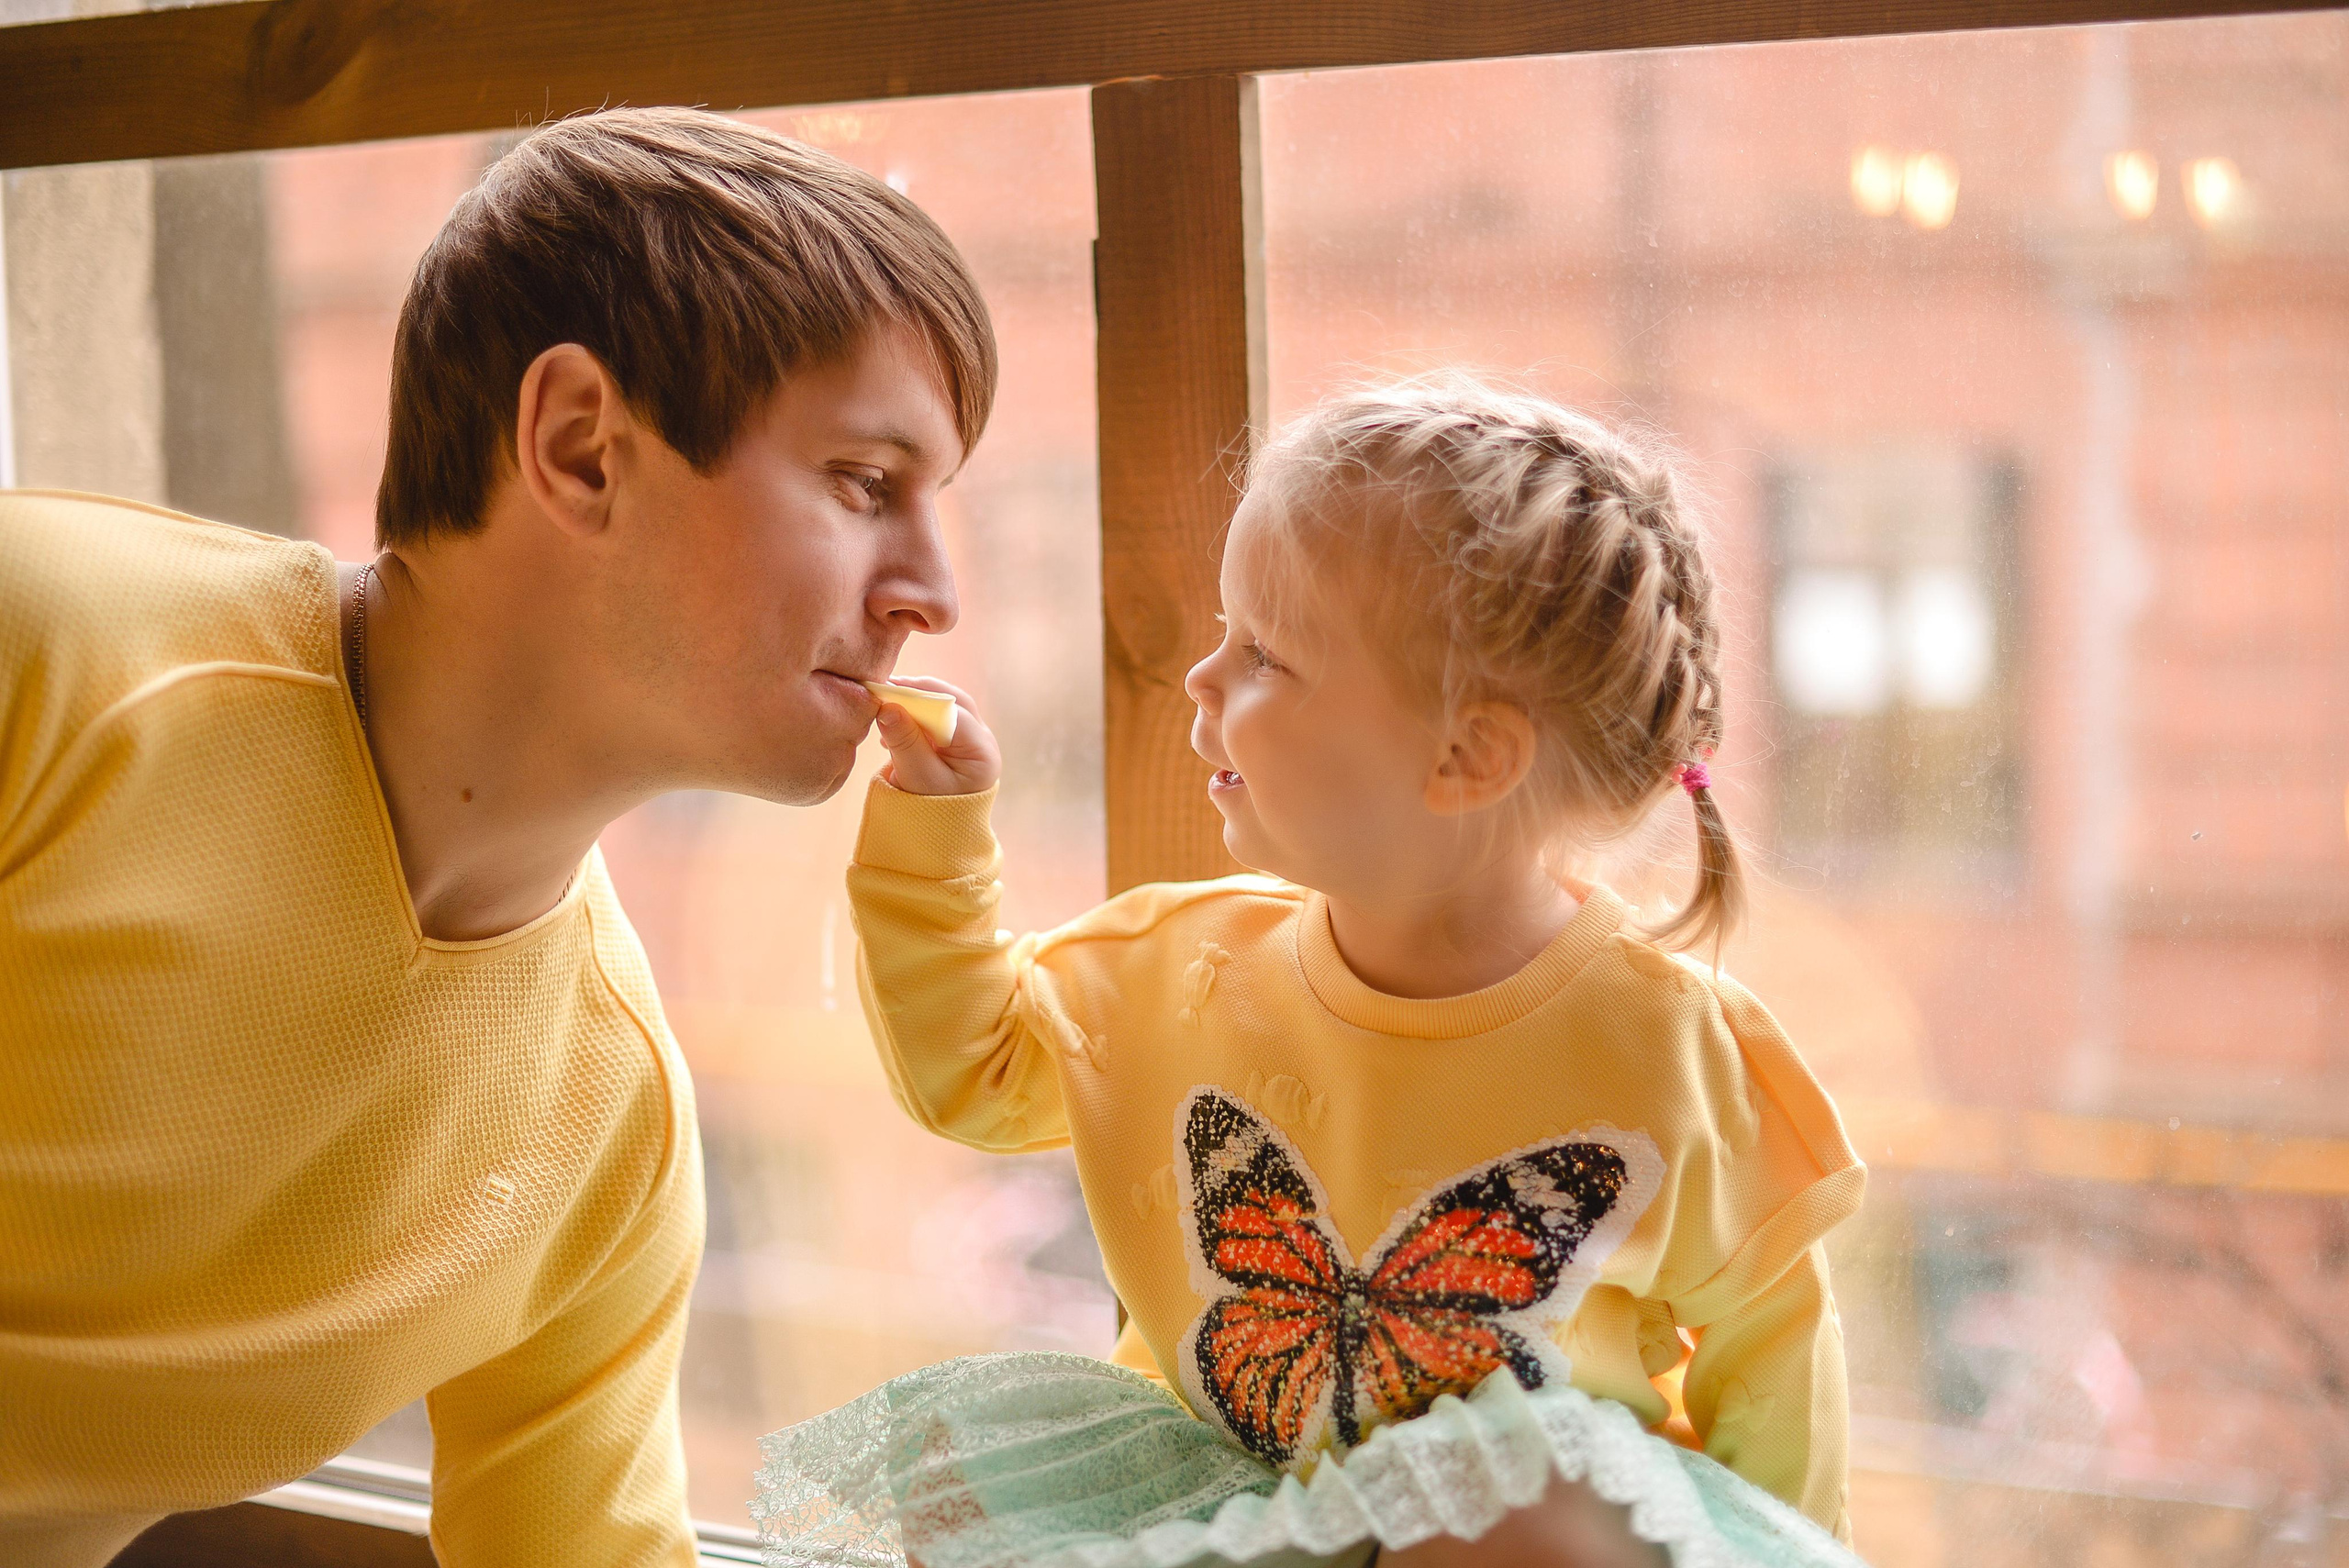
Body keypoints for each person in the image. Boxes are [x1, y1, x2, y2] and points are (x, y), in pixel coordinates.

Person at [0, 107, 992, 1567]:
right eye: (863, 484)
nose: (933, 592)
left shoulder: (608, 1123)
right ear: (583, 447)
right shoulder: (50, 657)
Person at [755, 376, 1869, 1567]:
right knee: (953, 1488)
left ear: (1465, 755)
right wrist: (938, 834)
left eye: (1264, 656)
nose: (1198, 678)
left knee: (1524, 1512)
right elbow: (966, 1070)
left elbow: (1775, 1356)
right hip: (1230, 1507)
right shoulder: (1175, 968)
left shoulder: (1668, 1048)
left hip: (1476, 1536)